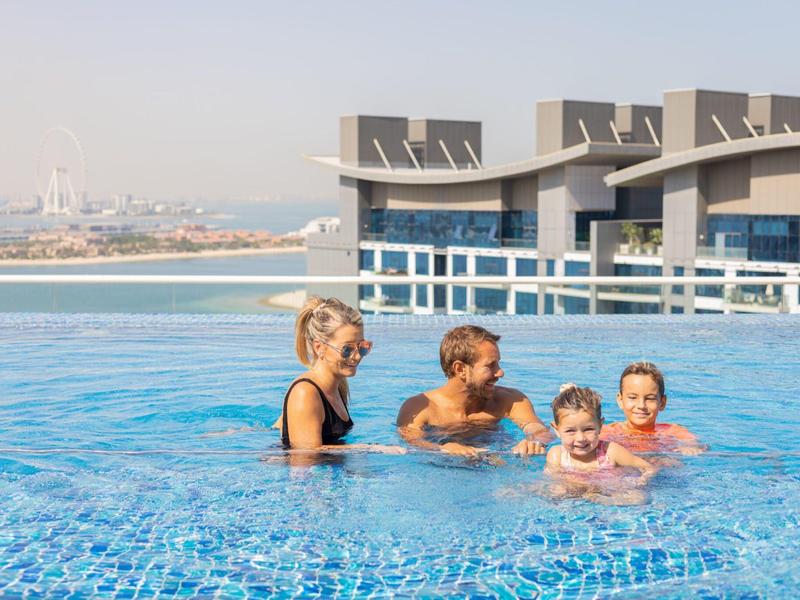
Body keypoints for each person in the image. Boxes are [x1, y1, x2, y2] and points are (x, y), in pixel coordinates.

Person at [274, 296, 405, 455]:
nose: (357, 356)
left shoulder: (338, 385)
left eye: (362, 347)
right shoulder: (305, 393)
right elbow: (305, 455)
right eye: (347, 349)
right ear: (319, 347)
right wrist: (371, 448)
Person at [396, 325, 552, 457]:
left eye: (498, 364)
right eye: (490, 365)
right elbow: (414, 444)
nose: (500, 372)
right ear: (460, 369)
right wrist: (443, 449)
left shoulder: (510, 400)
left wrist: (534, 442)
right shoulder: (419, 408)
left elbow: (536, 428)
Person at [545, 384, 656, 505]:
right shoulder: (557, 455)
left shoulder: (611, 451)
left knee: (639, 498)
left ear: (600, 425)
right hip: (576, 493)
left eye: (588, 429)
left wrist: (640, 482)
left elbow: (649, 468)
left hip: (610, 493)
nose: (581, 438)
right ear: (556, 430)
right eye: (570, 431)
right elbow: (552, 480)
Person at [601, 361, 705, 456]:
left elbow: (694, 444)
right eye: (633, 397)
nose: (641, 405)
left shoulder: (673, 431)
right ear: (620, 400)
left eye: (650, 398)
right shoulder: (608, 432)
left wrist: (690, 447)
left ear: (662, 402)